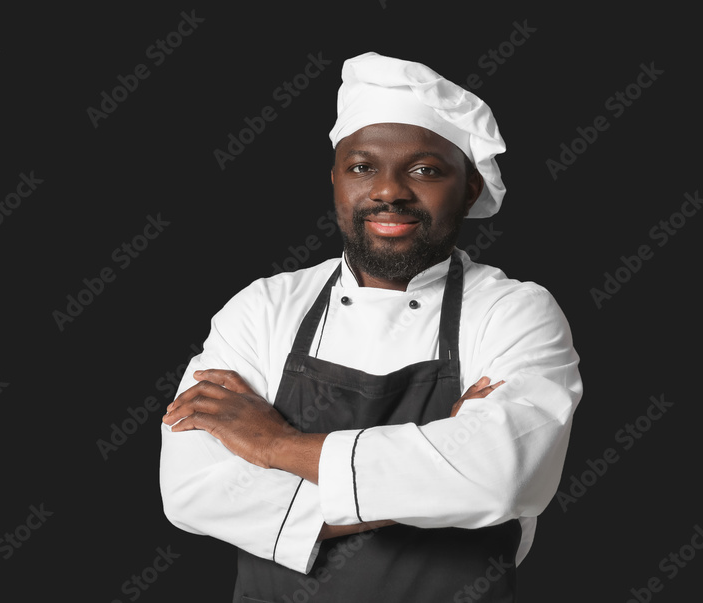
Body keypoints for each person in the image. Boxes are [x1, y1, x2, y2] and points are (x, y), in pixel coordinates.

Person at [158, 52, 583, 602]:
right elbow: (194, 491)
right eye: (362, 166)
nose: (389, 191)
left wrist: (272, 443)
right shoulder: (263, 307)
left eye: (426, 170)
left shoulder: (514, 312)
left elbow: (503, 477)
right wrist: (434, 473)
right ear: (335, 178)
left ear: (470, 188)